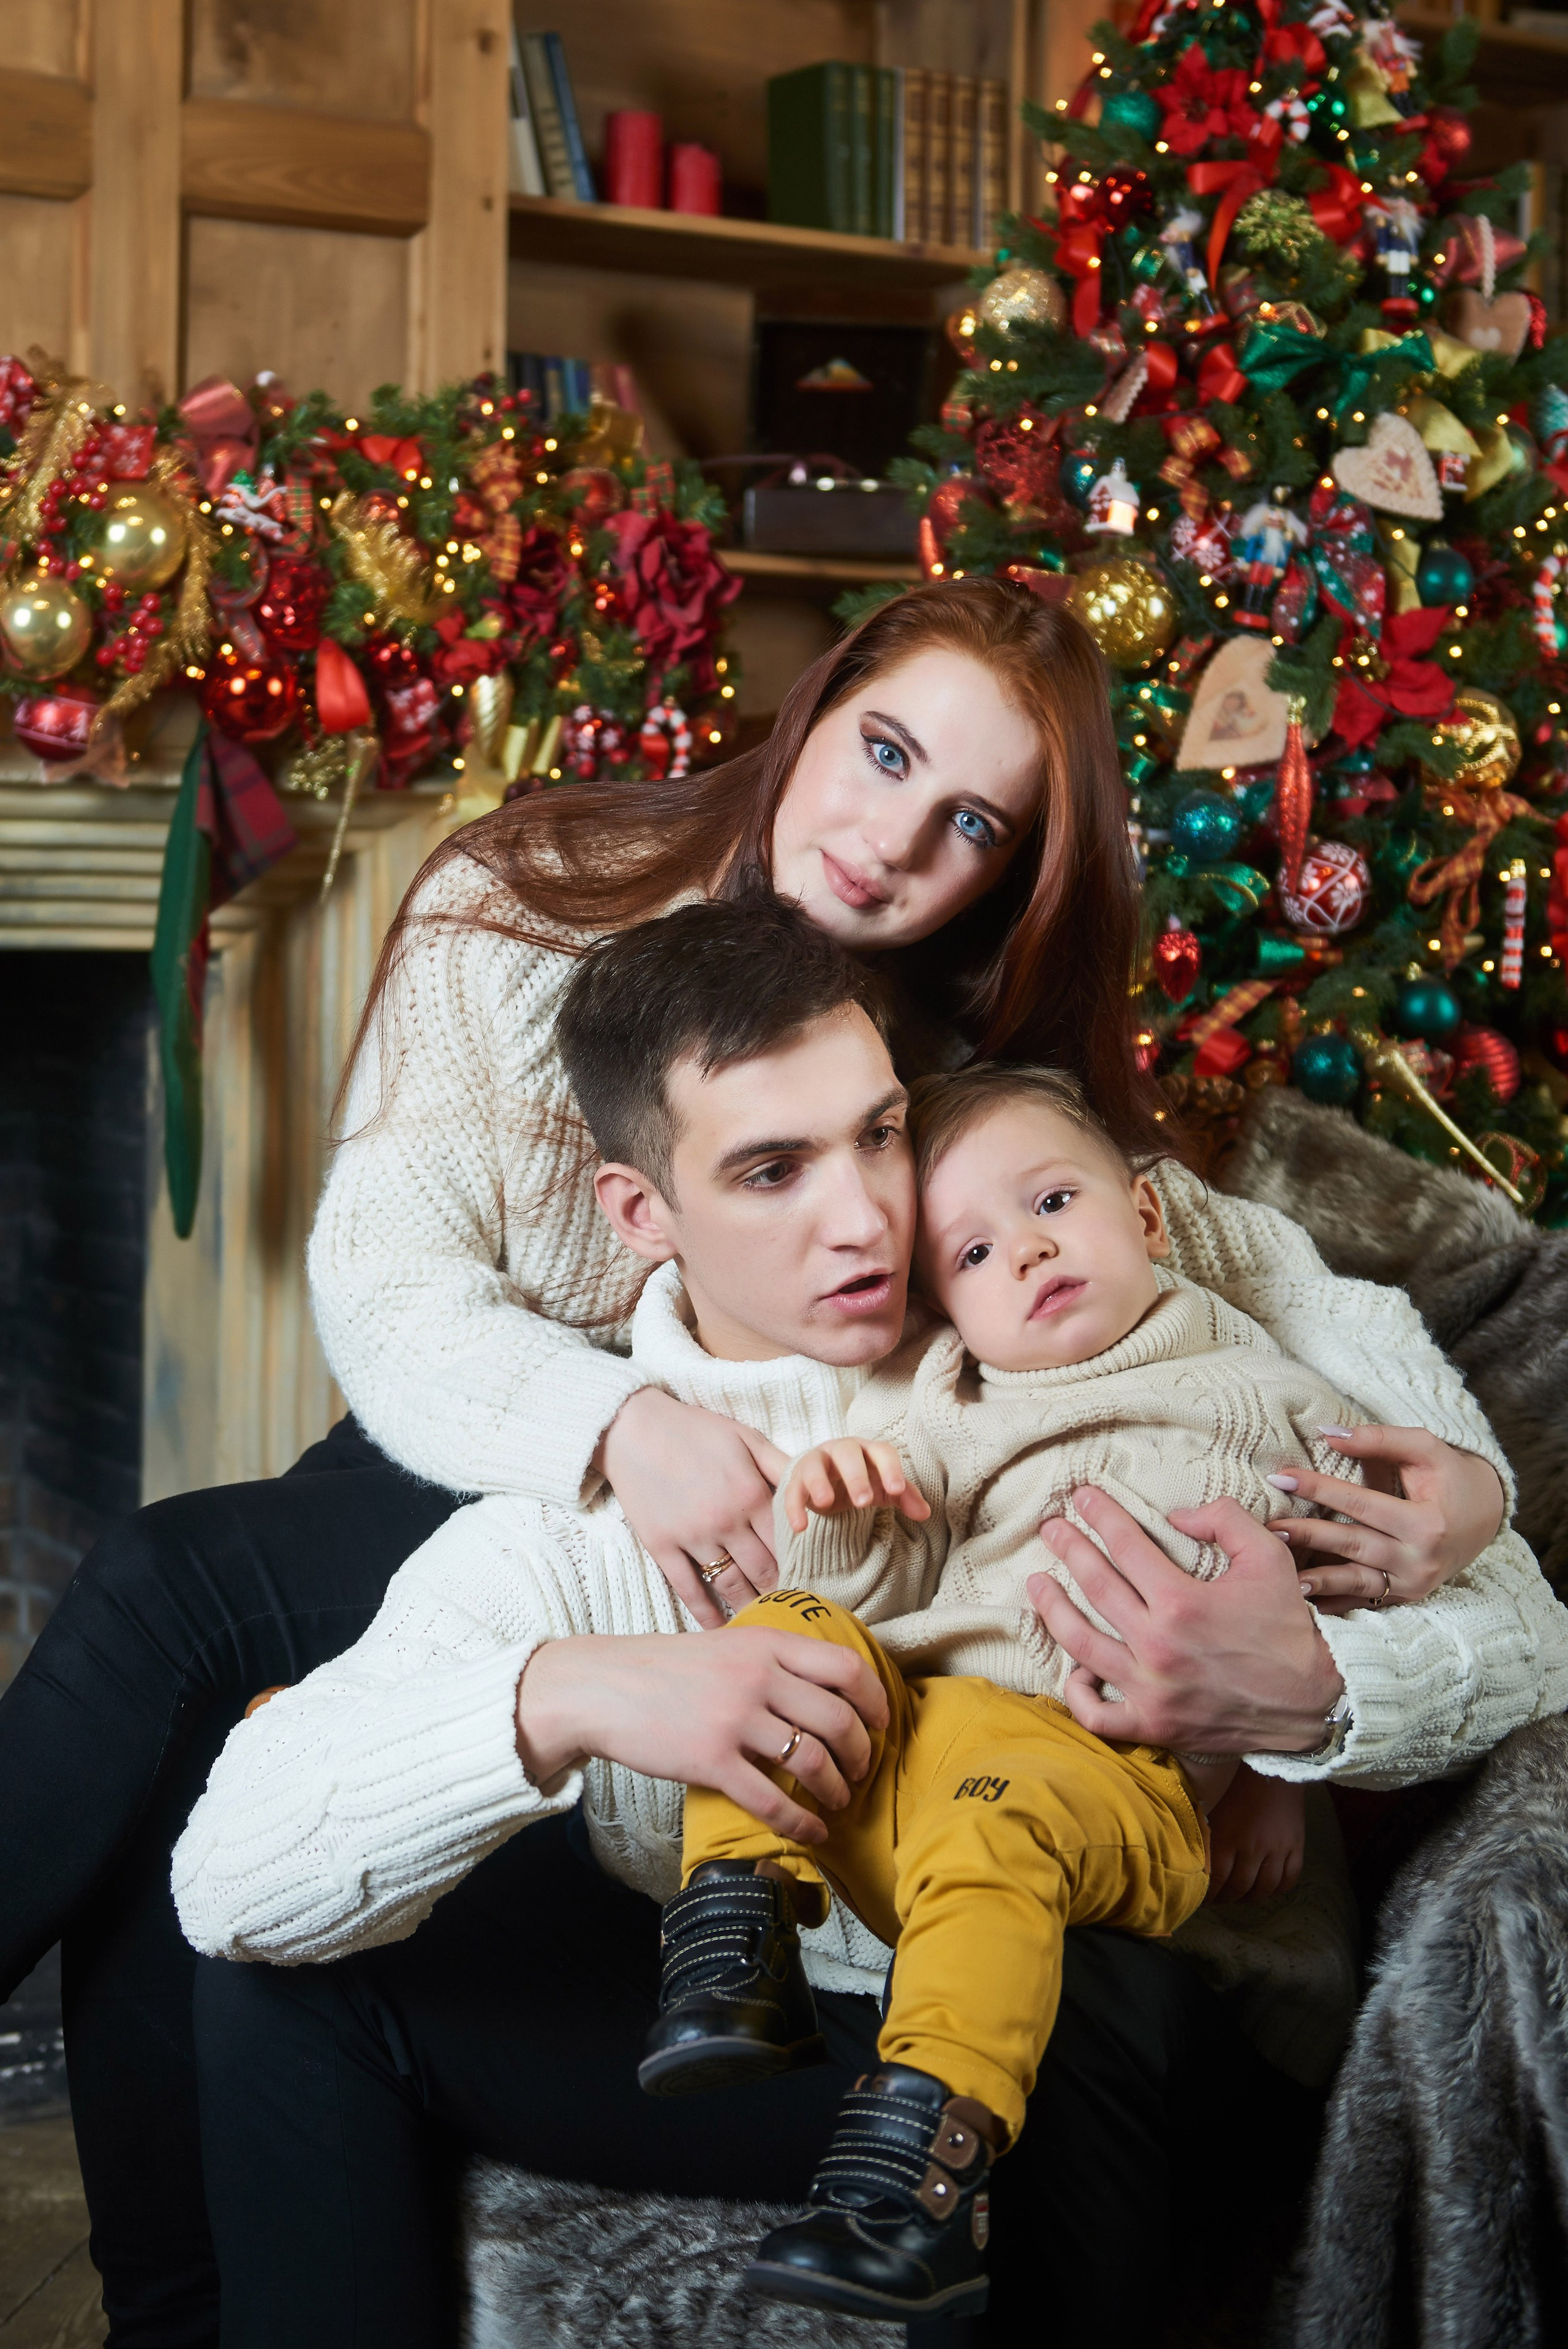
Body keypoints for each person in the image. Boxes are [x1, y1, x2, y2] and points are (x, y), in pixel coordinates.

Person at [0, 582, 1535, 2346]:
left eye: (971, 823)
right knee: (181, 1610)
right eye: (883, 753)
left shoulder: (990, 1093)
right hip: (517, 1441)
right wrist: (619, 1435)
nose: (891, 845)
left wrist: (1444, 1515)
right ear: (815, 711)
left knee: (211, 1672)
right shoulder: (531, 893)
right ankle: (173, 2312)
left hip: (827, 1530)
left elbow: (1303, 1324)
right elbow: (391, 1272)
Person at [644, 1058, 1525, 2323]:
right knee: (775, 1635)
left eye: (1052, 1202)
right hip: (919, 1759)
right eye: (973, 1251)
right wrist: (835, 1510)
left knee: (1001, 1813)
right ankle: (736, 1931)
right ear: (943, 1306)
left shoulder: (1265, 1395)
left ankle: (917, 2188)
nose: (1026, 1253)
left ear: (1148, 1217)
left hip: (1104, 1783)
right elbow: (879, 1597)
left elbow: (1342, 1609)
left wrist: (1277, 1777)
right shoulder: (944, 1404)